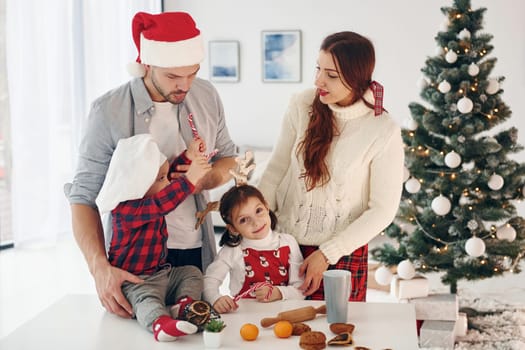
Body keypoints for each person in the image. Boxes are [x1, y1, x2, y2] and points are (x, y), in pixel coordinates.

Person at [64, 11, 237, 319]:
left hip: (194, 249)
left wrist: (205, 179)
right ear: (146, 63)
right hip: (134, 260)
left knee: (192, 333)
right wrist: (99, 267)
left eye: (192, 73)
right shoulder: (107, 111)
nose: (185, 85)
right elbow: (83, 198)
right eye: (173, 76)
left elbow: (228, 158)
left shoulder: (207, 95)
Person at [257, 31, 404, 301]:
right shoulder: (301, 105)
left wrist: (327, 253)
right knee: (277, 333)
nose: (318, 81)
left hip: (341, 253)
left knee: (337, 335)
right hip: (283, 244)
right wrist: (258, 228)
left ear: (357, 78)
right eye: (318, 69)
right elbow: (276, 170)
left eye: (332, 75)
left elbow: (382, 210)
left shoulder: (383, 129)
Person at [95, 134, 210, 341]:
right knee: (147, 302)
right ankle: (160, 324)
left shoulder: (153, 190)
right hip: (135, 283)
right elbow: (162, 203)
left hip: (161, 274)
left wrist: (188, 156)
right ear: (139, 183)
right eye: (160, 179)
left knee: (192, 273)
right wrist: (190, 180)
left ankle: (184, 305)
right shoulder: (127, 210)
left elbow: (167, 176)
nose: (167, 182)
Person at [203, 185, 304, 314]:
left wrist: (279, 293)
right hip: (244, 318)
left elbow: (301, 290)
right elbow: (209, 281)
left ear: (267, 207)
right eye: (244, 220)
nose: (255, 223)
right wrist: (215, 299)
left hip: (284, 315)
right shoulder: (232, 251)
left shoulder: (288, 243)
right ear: (233, 228)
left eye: (258, 211)